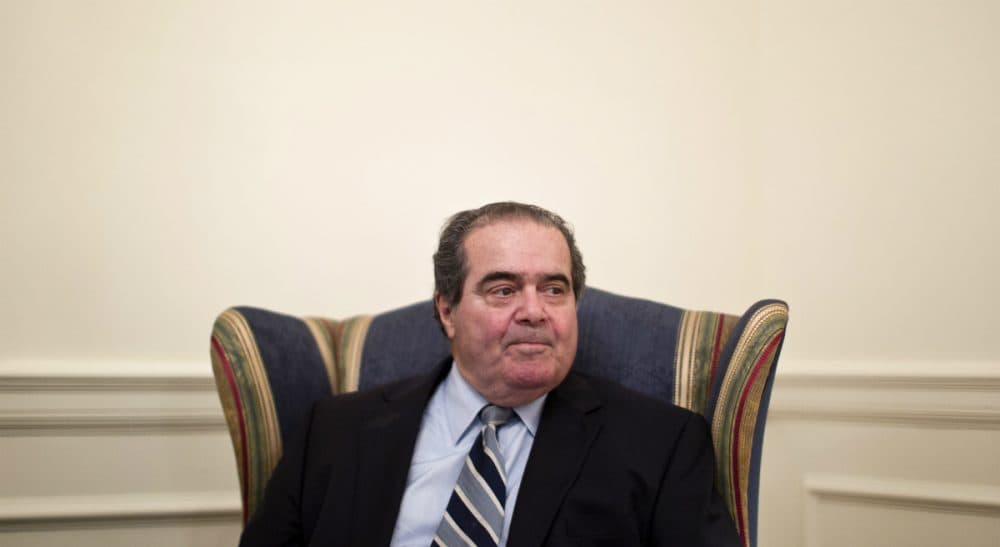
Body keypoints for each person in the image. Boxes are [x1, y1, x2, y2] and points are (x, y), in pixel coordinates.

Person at [239, 202, 740, 546]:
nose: (534, 311)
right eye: (503, 290)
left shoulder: (660, 445)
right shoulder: (334, 431)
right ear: (447, 311)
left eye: (554, 289)